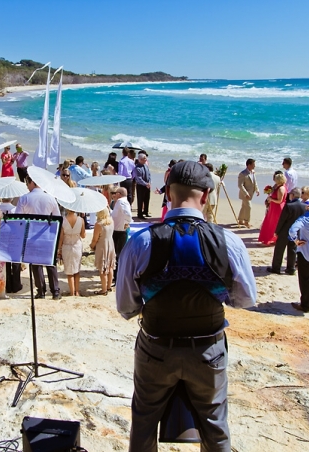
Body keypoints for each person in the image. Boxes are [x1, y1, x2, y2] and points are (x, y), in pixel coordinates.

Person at [116, 160, 256, 451]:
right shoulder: (228, 241)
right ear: (206, 195)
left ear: (167, 192)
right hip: (209, 349)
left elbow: (126, 307)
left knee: (144, 419)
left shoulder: (141, 242)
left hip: (156, 348)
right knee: (215, 424)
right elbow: (245, 299)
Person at [16, 175, 62, 299]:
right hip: (47, 235)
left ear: (32, 182)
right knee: (50, 264)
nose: (26, 185)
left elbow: (18, 219)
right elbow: (57, 218)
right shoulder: (50, 198)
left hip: (31, 234)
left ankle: (41, 291)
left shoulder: (24, 198)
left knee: (36, 265)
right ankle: (55, 291)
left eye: (27, 183)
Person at [268, 187, 306, 275]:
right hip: (297, 231)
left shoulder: (289, 206)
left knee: (279, 249)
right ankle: (291, 268)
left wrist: (277, 231)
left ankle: (276, 268)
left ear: (292, 195)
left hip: (285, 231)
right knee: (292, 249)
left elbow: (282, 220)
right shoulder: (304, 206)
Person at [58, 209, 85, 296]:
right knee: (77, 270)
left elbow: (61, 238)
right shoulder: (81, 220)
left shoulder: (63, 220)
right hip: (77, 245)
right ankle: (77, 291)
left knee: (69, 271)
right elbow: (83, 235)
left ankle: (72, 292)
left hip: (67, 246)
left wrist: (59, 249)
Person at [89, 208, 115, 295]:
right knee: (110, 266)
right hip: (110, 244)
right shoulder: (111, 221)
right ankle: (109, 286)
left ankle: (104, 290)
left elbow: (95, 239)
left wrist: (92, 246)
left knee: (103, 268)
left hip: (102, 246)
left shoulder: (99, 224)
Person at [258, 173, 287, 245]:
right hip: (274, 207)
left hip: (277, 208)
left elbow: (280, 201)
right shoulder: (279, 186)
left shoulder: (281, 188)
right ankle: (271, 239)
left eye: (276, 179)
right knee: (270, 222)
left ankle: (271, 239)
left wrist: (271, 199)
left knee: (273, 224)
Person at [110, 187, 132, 284]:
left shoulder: (121, 202)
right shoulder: (121, 202)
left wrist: (127, 223)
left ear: (119, 194)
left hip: (119, 231)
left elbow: (128, 214)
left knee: (118, 255)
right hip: (118, 230)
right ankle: (117, 276)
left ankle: (117, 277)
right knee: (117, 254)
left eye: (115, 193)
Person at [237, 158, 259, 228]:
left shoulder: (252, 172)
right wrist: (246, 194)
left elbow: (255, 182)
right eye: (253, 164)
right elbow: (240, 185)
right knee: (249, 207)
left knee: (244, 206)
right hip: (245, 194)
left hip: (251, 193)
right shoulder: (242, 174)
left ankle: (240, 220)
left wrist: (257, 190)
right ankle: (246, 221)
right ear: (249, 165)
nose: (254, 166)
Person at [133, 153, 151, 219]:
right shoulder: (137, 168)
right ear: (140, 159)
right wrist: (145, 184)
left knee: (147, 199)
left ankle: (146, 211)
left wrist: (149, 183)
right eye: (144, 158)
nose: (146, 159)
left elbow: (149, 175)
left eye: (146, 158)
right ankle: (140, 214)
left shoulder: (145, 166)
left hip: (147, 185)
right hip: (141, 186)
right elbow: (139, 178)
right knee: (140, 200)